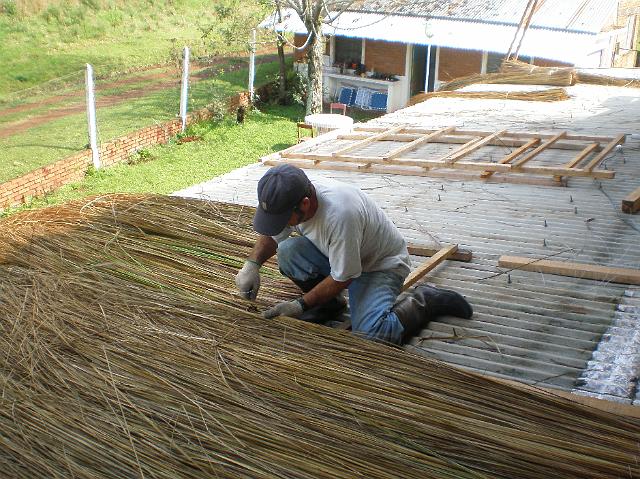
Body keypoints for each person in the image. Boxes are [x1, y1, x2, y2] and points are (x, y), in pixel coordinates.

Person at [235, 164, 473, 344]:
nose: (279, 224)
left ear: (305, 204)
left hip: (378, 265)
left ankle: (426, 300)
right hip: (339, 254)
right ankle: (329, 305)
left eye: (282, 218)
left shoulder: (340, 215)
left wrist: (299, 305)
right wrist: (252, 264)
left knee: (373, 334)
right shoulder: (294, 193)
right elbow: (274, 235)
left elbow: (343, 277)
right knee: (288, 251)